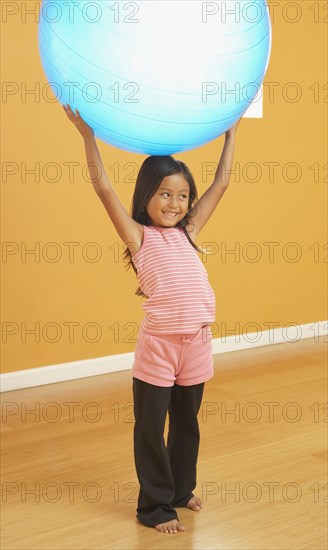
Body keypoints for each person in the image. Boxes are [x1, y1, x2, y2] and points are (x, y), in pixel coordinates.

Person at [63, 104, 241, 533]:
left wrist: (231, 134)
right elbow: (104, 189)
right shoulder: (138, 235)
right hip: (159, 348)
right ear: (146, 196)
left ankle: (181, 491)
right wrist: (88, 136)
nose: (175, 203)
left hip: (196, 343)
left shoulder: (189, 232)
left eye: (182, 196)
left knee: (186, 425)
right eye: (165, 193)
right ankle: (155, 507)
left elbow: (222, 182)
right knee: (150, 431)